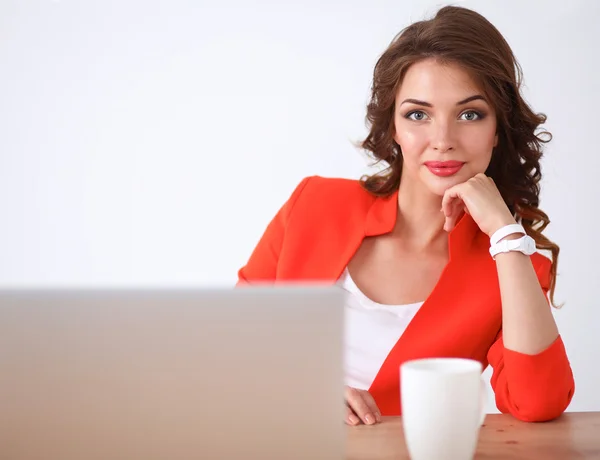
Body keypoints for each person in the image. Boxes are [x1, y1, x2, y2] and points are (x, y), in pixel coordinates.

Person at [236, 5, 574, 425]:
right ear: (394, 126)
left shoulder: (511, 269)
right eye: (418, 114)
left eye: (470, 114)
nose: (443, 140)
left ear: (498, 129)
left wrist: (505, 232)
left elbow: (537, 402)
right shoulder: (316, 203)